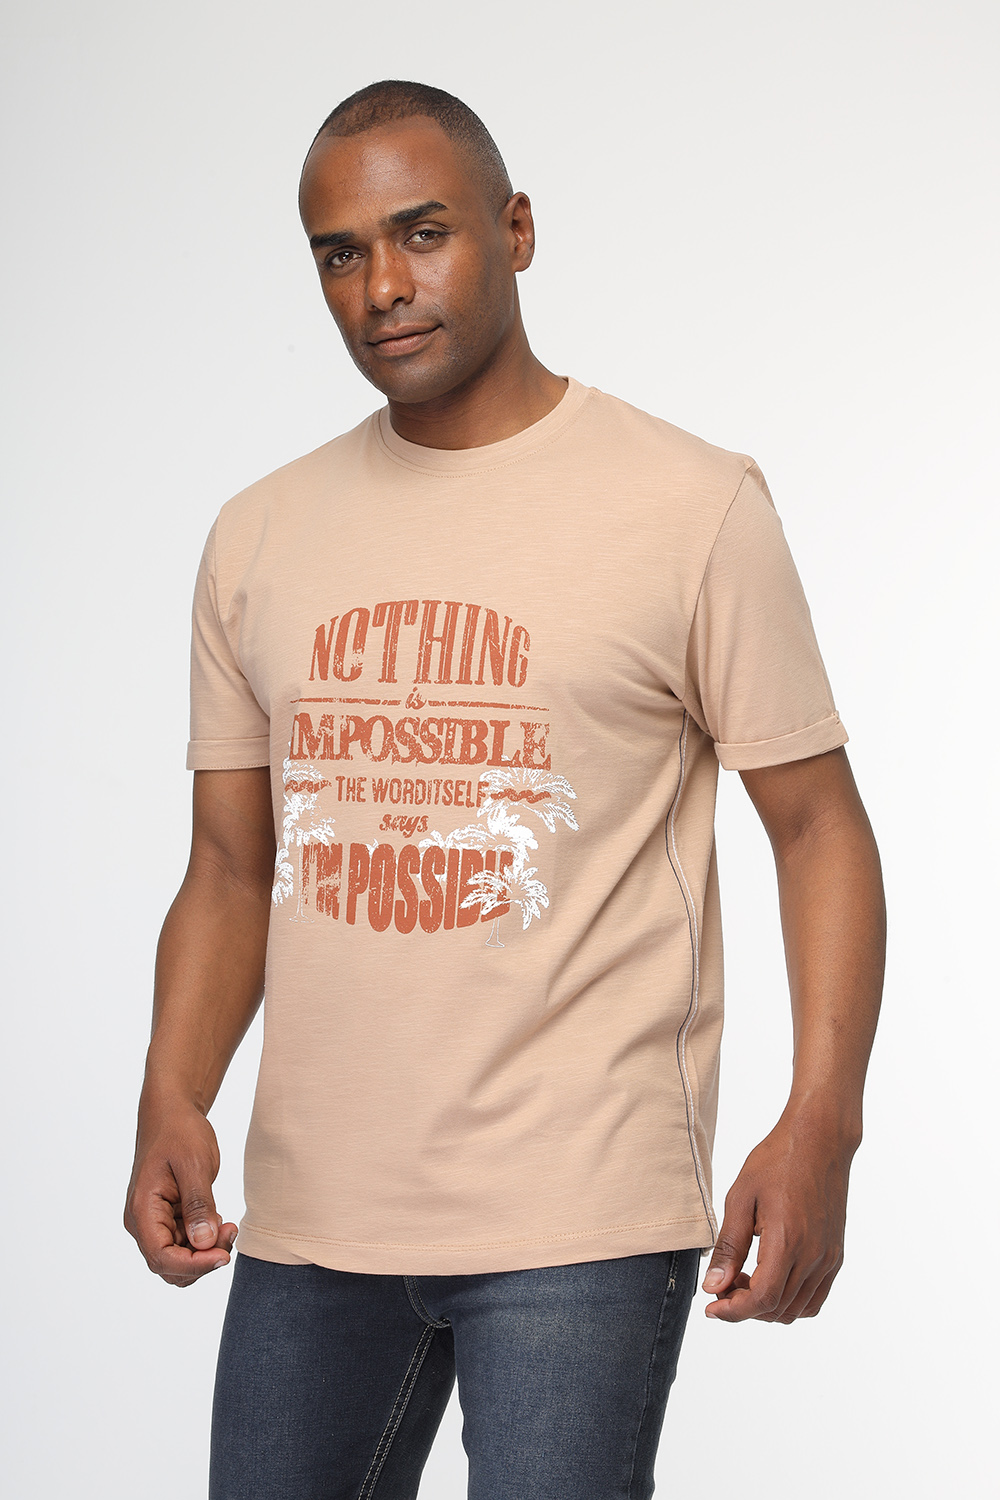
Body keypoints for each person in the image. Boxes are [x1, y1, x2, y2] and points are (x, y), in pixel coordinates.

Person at [124, 80, 886, 1500]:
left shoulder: (690, 505)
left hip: (582, 1212)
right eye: (341, 252)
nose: (382, 288)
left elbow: (817, 826)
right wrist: (173, 1092)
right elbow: (228, 865)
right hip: (314, 1215)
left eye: (423, 234)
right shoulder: (259, 535)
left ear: (517, 230)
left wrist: (822, 1120)